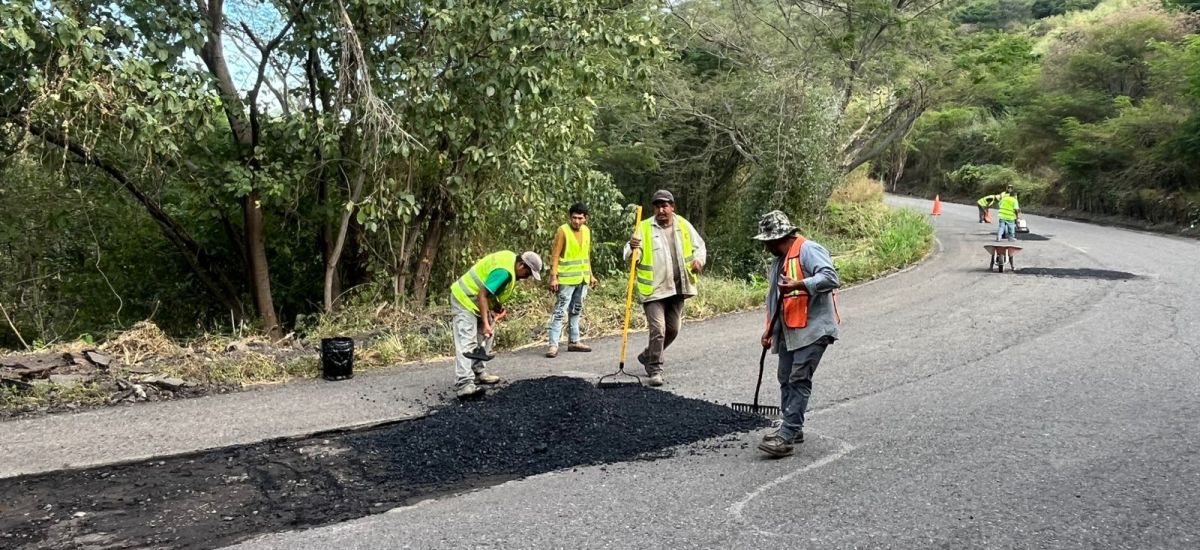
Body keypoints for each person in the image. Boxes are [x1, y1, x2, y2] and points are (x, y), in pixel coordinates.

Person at [752, 210, 841, 458]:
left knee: (798, 379)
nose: (766, 246)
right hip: (790, 330)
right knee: (785, 377)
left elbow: (831, 277)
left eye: (767, 241)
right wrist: (769, 330)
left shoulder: (808, 250)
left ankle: (787, 436)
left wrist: (800, 284)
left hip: (814, 329)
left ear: (777, 237)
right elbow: (774, 299)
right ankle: (792, 426)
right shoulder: (778, 262)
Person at [622, 189, 707, 387]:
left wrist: (699, 261)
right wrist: (632, 248)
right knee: (658, 329)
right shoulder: (644, 227)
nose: (661, 210)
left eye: (665, 206)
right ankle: (655, 368)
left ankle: (648, 354)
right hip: (653, 289)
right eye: (657, 207)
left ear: (672, 207)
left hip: (677, 288)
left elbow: (699, 246)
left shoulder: (683, 225)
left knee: (673, 329)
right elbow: (630, 254)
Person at [448, 250, 543, 398]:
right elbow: (482, 294)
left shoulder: (510, 262)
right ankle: (464, 384)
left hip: (477, 301)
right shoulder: (504, 272)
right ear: (521, 265)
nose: (527, 277)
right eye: (528, 273)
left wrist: (497, 308)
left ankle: (478, 372)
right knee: (467, 340)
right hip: (464, 298)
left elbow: (492, 290)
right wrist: (486, 323)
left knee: (487, 336)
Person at [546, 203, 599, 358]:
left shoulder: (586, 231)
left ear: (586, 218)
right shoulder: (563, 231)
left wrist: (591, 275)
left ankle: (574, 341)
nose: (576, 221)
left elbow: (586, 255)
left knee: (576, 310)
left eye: (580, 218)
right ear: (570, 217)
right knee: (560, 311)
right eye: (574, 218)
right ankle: (553, 344)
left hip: (582, 278)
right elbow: (555, 255)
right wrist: (553, 277)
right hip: (566, 279)